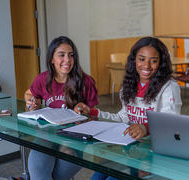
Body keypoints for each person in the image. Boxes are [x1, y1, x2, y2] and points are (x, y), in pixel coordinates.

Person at [75, 37, 182, 180]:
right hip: (132, 149)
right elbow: (122, 118)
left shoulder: (169, 87)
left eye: (154, 61)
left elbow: (171, 123)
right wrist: (92, 112)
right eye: (141, 59)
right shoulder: (129, 85)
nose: (147, 66)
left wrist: (145, 128)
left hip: (156, 153)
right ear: (134, 60)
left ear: (161, 63)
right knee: (99, 173)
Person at [24, 36, 99, 180]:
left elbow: (94, 116)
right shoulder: (43, 79)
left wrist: (85, 111)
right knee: (37, 172)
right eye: (61, 55)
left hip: (74, 141)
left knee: (56, 176)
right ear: (52, 59)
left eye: (71, 55)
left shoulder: (86, 81)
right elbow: (28, 94)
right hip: (46, 137)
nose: (68, 60)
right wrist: (32, 102)